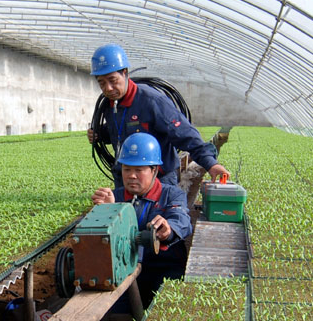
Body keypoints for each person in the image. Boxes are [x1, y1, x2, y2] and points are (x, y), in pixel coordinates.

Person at [87, 43, 229, 188]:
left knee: (165, 211)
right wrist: (101, 134)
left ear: (125, 72)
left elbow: (185, 134)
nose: (108, 88)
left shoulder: (152, 101)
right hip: (126, 181)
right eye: (102, 83)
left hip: (159, 180)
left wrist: (211, 164)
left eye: (113, 80)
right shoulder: (109, 105)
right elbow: (120, 129)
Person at [91, 132, 192, 308]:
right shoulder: (114, 198)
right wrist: (108, 211)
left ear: (154, 170)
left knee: (166, 308)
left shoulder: (171, 194)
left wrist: (169, 229)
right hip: (123, 271)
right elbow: (99, 240)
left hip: (164, 268)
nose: (131, 176)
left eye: (139, 170)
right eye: (127, 169)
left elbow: (181, 220)